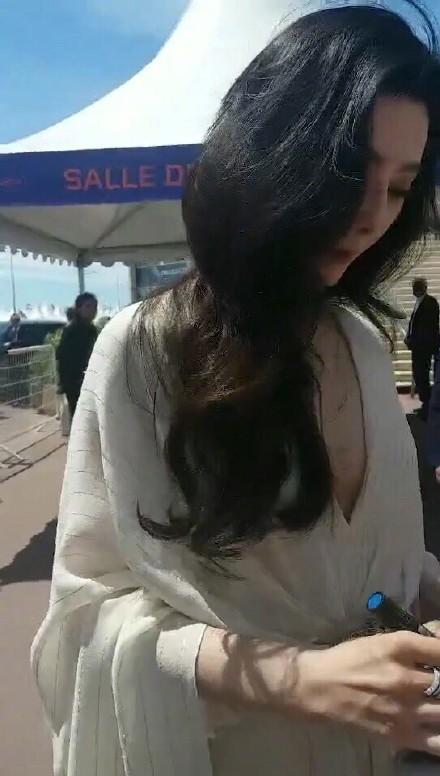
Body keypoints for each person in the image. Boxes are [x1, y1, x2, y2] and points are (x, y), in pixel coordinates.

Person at [32, 5, 440, 775]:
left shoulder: (360, 344)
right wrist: (299, 680)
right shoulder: (147, 351)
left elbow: (377, 570)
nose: (371, 216)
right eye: (351, 172)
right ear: (271, 151)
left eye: (399, 187)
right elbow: (86, 624)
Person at [56, 292, 97, 418]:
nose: (93, 310)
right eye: (88, 306)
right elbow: (61, 357)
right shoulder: (71, 330)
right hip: (74, 383)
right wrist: (63, 383)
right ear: (79, 308)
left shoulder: (92, 330)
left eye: (95, 307)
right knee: (79, 417)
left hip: (91, 380)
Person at [405, 277, 440, 420]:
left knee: (422, 376)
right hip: (417, 347)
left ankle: (428, 407)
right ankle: (426, 405)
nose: (414, 290)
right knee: (419, 375)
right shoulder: (419, 302)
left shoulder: (430, 303)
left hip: (423, 348)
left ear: (424, 288)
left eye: (417, 287)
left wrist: (413, 341)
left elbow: (428, 328)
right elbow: (414, 324)